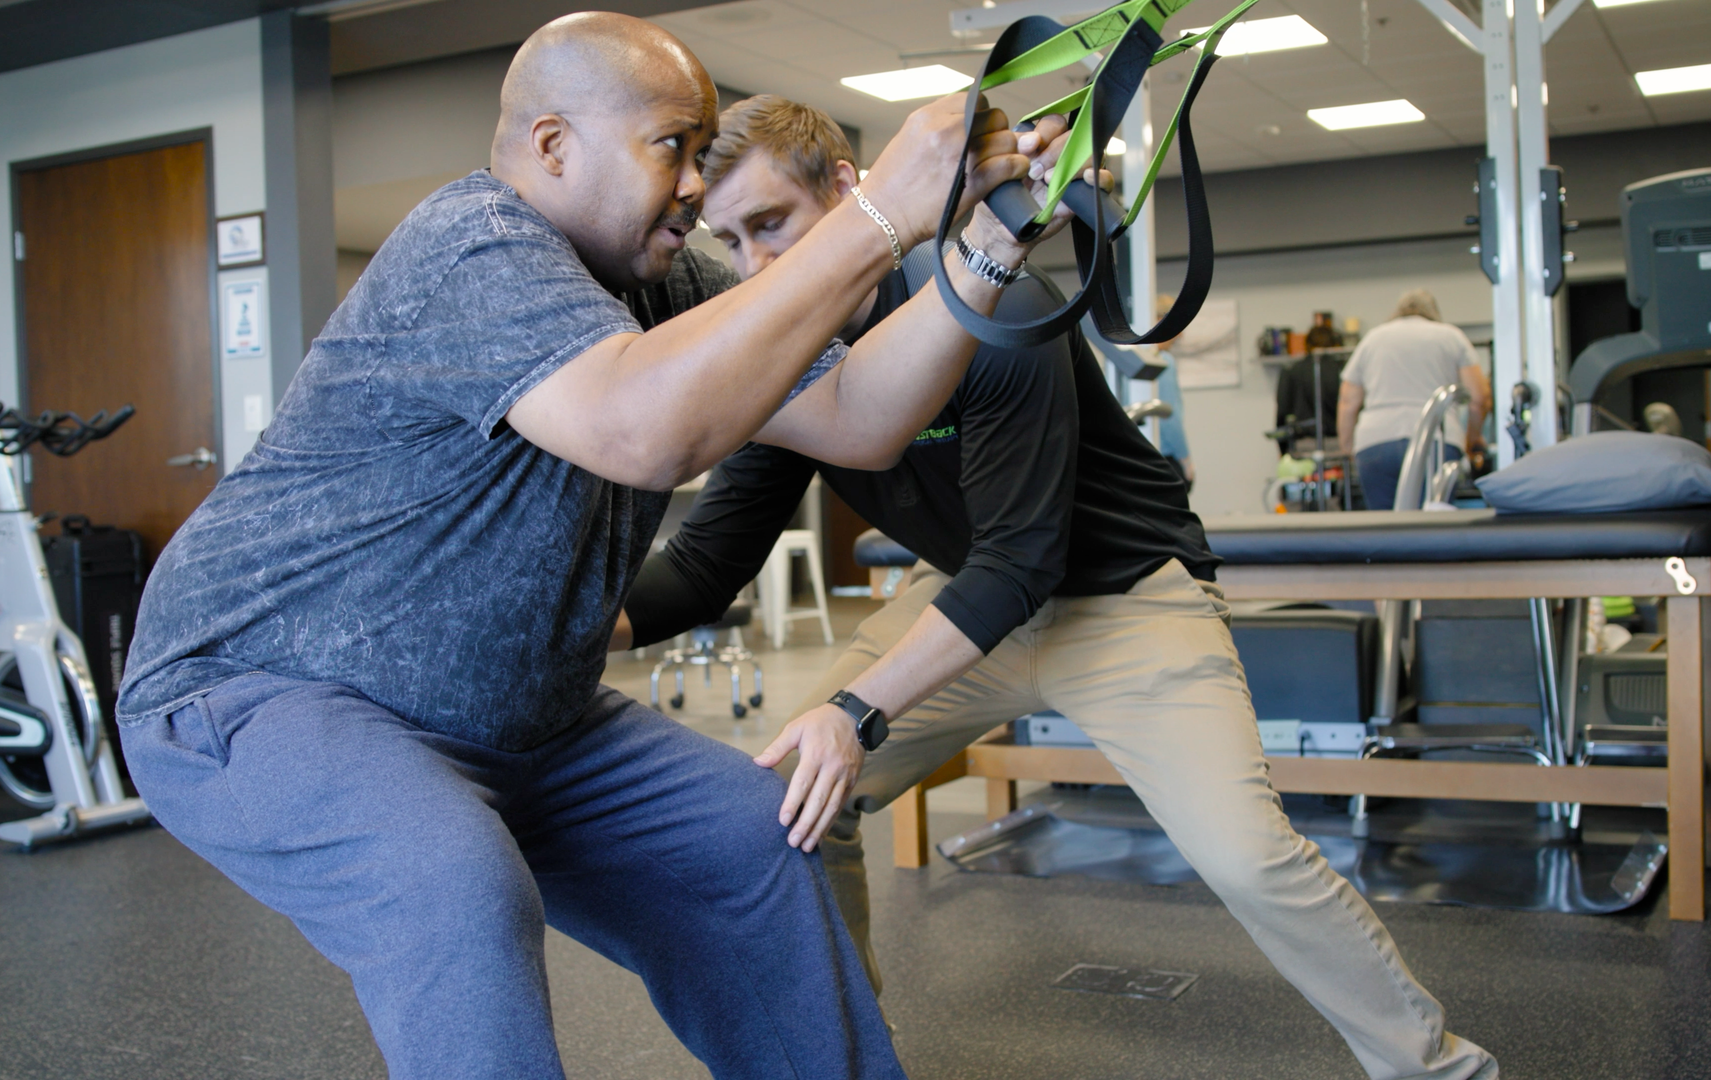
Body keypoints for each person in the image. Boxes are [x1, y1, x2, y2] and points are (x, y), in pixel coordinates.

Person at [114, 15, 1073, 1079]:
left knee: (757, 834)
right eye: (672, 146)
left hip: (522, 715)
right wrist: (883, 213)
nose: (698, 189)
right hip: (259, 692)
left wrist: (986, 244)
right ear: (553, 145)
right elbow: (643, 431)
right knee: (451, 881)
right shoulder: (473, 244)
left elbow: (857, 413)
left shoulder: (665, 279)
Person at [619, 94, 1499, 1080]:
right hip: (971, 606)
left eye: (772, 225)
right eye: (729, 240)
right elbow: (701, 567)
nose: (755, 269)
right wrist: (561, 626)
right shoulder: (790, 357)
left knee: (1248, 856)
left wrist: (855, 709)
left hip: (1123, 599)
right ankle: (851, 1063)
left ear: (848, 189)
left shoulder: (999, 306)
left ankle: (1441, 1070)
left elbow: (1022, 561)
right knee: (790, 808)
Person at [1337, 289, 1491, 510]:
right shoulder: (1450, 335)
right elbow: (1480, 397)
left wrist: (1347, 447)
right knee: (1431, 527)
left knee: (1384, 529)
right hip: (1437, 440)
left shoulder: (1373, 338)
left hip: (1376, 442)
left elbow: (1348, 401)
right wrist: (1472, 439)